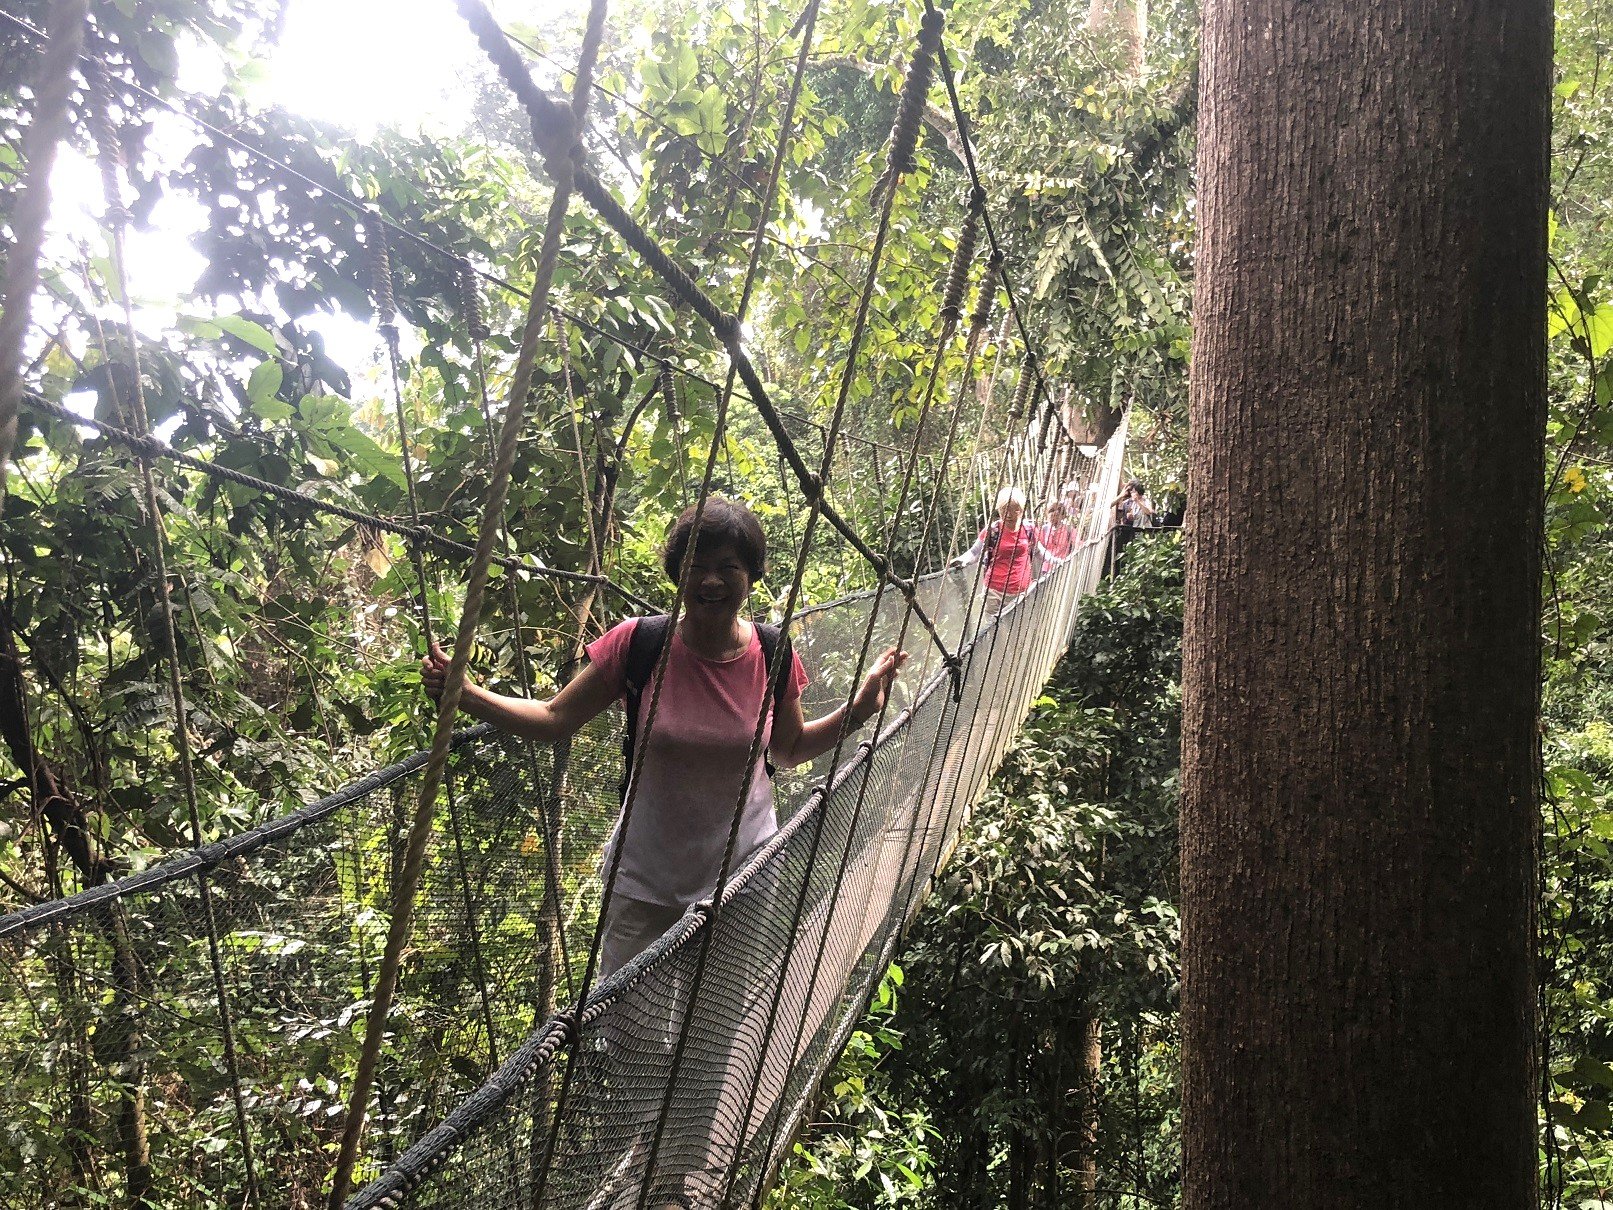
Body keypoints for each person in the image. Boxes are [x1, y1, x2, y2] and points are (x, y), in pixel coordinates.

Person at [422, 497, 907, 978]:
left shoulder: (773, 652)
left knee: (718, 1041)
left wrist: (859, 711)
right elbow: (555, 718)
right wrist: (466, 695)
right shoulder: (638, 643)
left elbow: (789, 748)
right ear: (678, 573)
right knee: (634, 1042)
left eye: (728, 567)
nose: (711, 580)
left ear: (751, 576)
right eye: (696, 565)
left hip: (743, 879)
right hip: (645, 881)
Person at [948, 486, 1054, 617]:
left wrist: (1054, 560)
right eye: (1004, 509)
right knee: (995, 633)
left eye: (1013, 509)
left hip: (1021, 592)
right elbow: (975, 553)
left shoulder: (1029, 529)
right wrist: (962, 560)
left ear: (1021, 510)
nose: (1008, 514)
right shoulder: (992, 531)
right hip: (994, 593)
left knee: (1017, 630)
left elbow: (1037, 550)